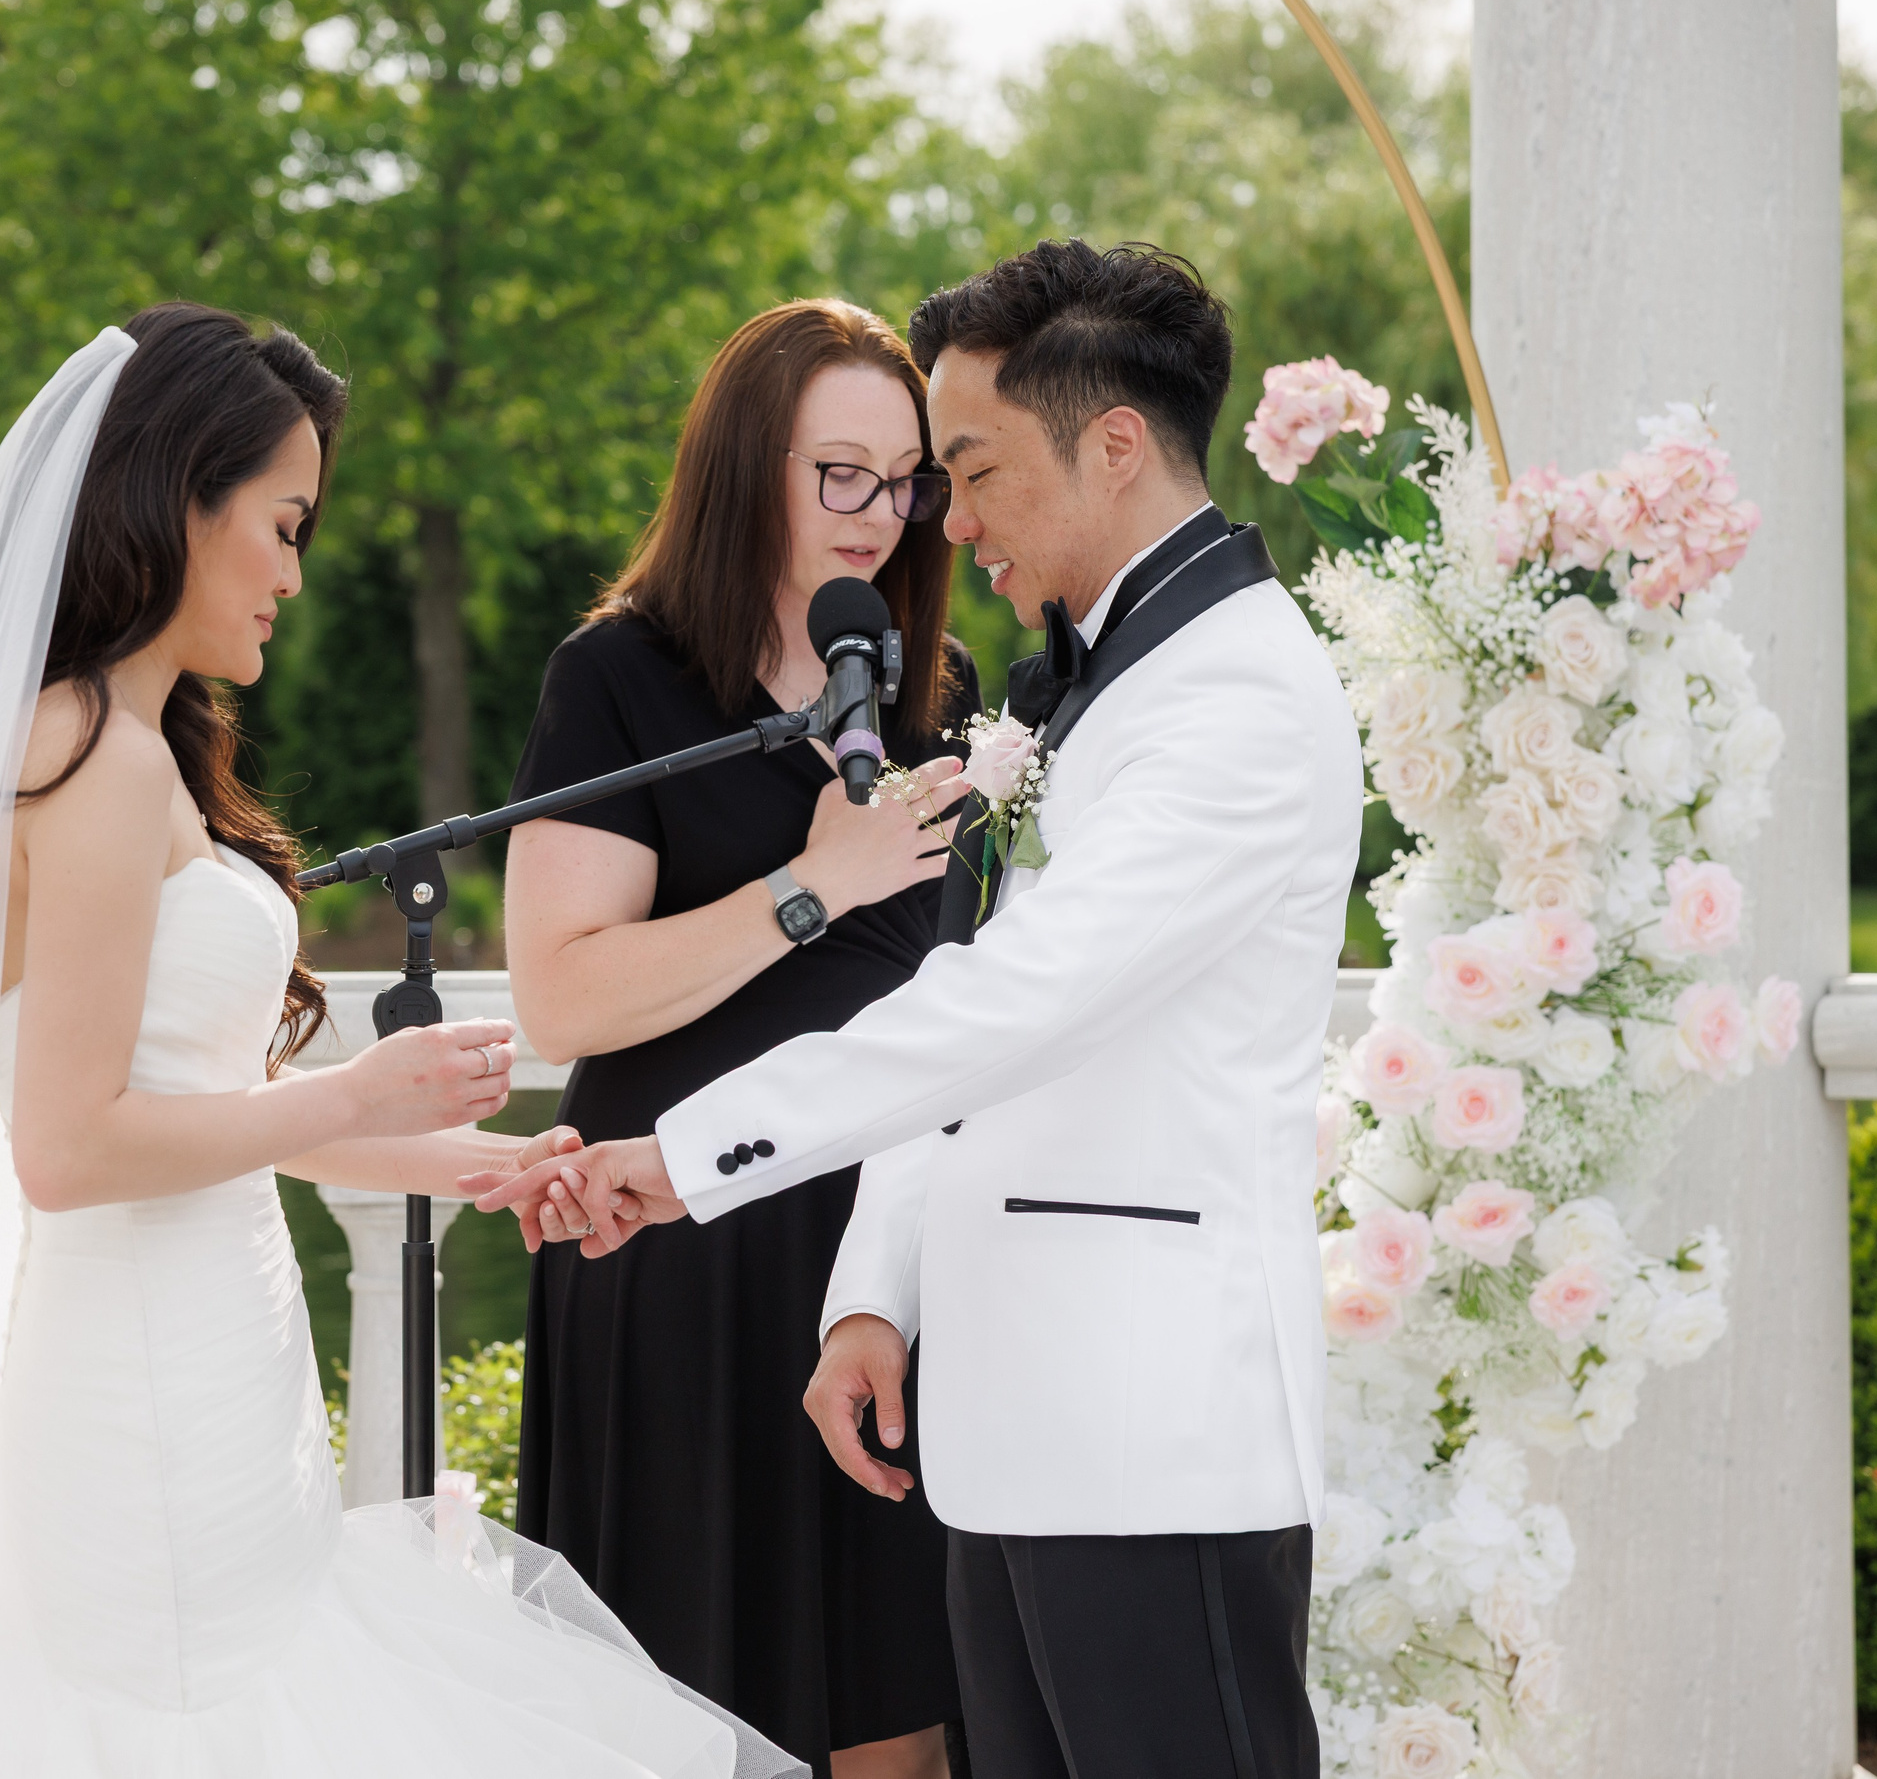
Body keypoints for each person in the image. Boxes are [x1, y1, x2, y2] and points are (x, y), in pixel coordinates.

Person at [0, 303, 800, 1779]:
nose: (292, 573)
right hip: (146, 1398)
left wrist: (476, 1160)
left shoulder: (126, 745)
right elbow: (69, 1148)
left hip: (214, 1369)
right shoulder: (90, 757)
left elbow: (200, 1104)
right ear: (178, 499)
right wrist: (353, 1093)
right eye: (282, 526)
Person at [477, 242, 1364, 1779]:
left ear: (1113, 445)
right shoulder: (1094, 687)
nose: (941, 521)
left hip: (1151, 1432)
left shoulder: (1232, 700)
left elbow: (1010, 1005)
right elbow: (963, 1004)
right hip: (1011, 1429)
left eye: (969, 469)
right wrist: (872, 1293)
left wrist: (686, 1153)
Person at [502, 298, 978, 1779]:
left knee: (902, 1716)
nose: (878, 516)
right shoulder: (620, 679)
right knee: (686, 1724)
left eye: (905, 483)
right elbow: (560, 996)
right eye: (841, 473)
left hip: (879, 1262)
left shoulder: (938, 694)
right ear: (742, 466)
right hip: (681, 1255)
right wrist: (807, 888)